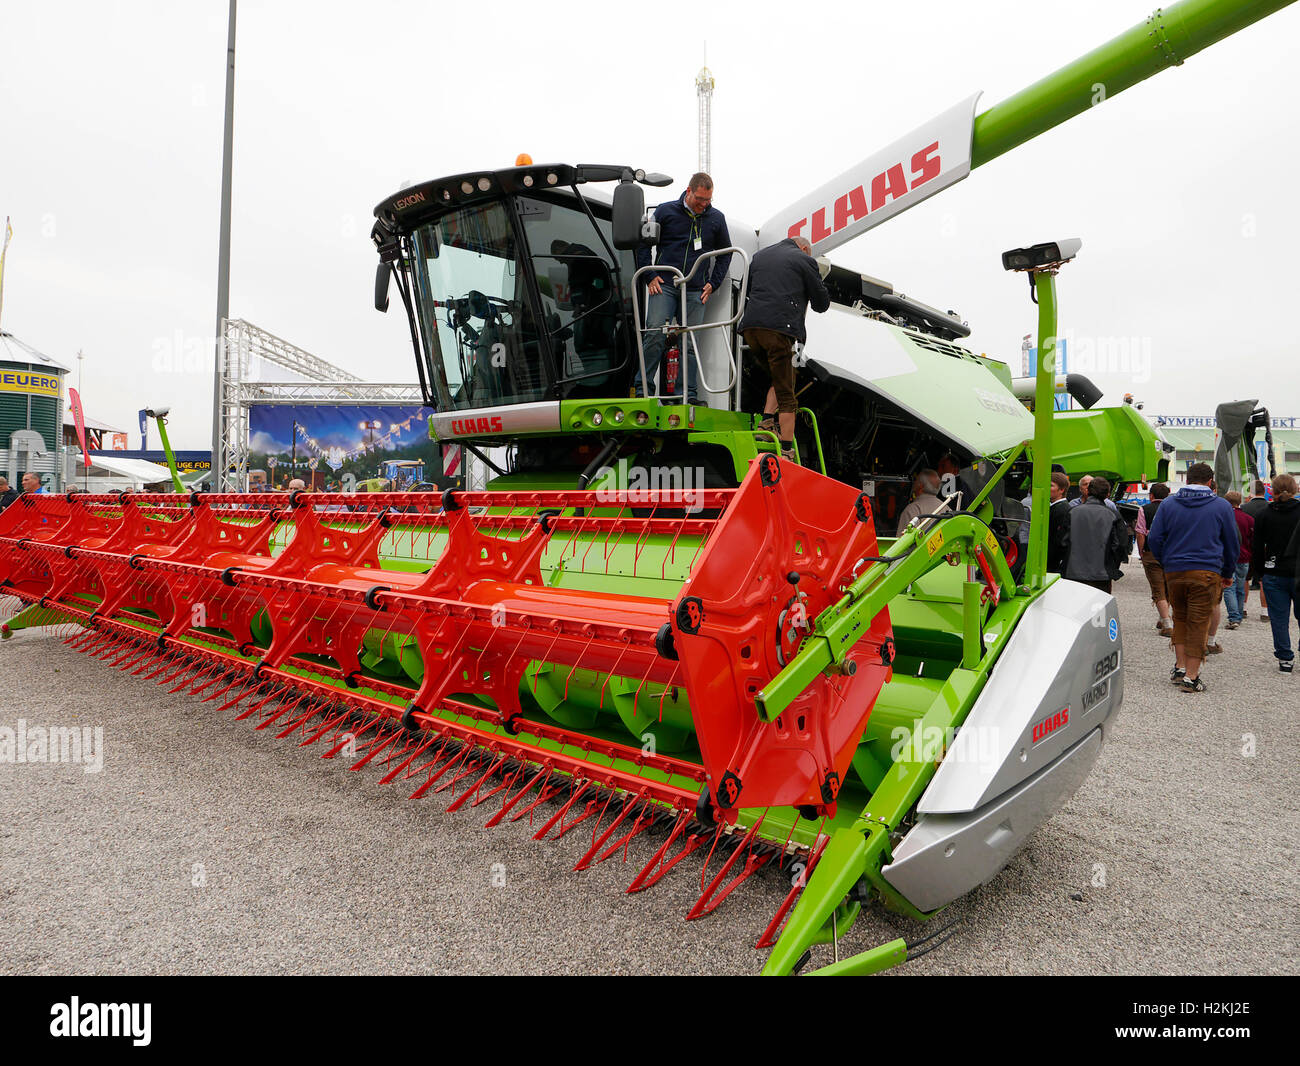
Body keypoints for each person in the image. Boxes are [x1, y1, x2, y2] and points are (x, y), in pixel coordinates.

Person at [633, 173, 732, 405]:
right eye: (700, 199)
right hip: (665, 285)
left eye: (708, 200)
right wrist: (650, 275)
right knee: (655, 333)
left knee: (690, 343)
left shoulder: (716, 218)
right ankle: (643, 389)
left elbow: (725, 253)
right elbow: (643, 244)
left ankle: (688, 395)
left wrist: (713, 283)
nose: (704, 204)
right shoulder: (665, 211)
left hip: (696, 288)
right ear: (688, 191)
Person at [1146, 462, 1239, 692]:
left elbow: (1154, 538)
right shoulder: (1221, 506)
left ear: (1187, 480)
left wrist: (1166, 560)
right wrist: (1227, 572)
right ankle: (1191, 676)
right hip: (1206, 570)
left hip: (1175, 570)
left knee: (1181, 618)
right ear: (1210, 482)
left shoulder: (1168, 504)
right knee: (1198, 622)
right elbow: (1231, 543)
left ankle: (1179, 666)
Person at [738, 235, 830, 459]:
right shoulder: (804, 260)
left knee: (779, 378)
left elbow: (746, 288)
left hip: (751, 330)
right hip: (779, 332)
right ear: (805, 248)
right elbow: (821, 303)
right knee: (788, 393)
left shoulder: (759, 257)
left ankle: (767, 422)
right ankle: (787, 450)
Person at [1251, 473, 1300, 672]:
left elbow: (1256, 546)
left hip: (1273, 571)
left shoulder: (1264, 514)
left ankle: (1285, 658)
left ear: (1274, 490)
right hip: (1298, 570)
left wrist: (1260, 572)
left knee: (1279, 618)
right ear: (1295, 489)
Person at [1065, 476, 1128, 592]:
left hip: (1073, 572)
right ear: (1107, 494)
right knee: (1099, 606)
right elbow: (1121, 544)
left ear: (1088, 491)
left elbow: (1063, 541)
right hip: (1102, 573)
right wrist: (1112, 567)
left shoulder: (1072, 512)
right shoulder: (1113, 514)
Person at [1134, 483, 1173, 636]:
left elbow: (1140, 533)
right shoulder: (1173, 509)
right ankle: (1162, 618)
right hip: (1171, 553)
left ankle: (1167, 623)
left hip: (1152, 553)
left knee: (1158, 588)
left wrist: (1142, 551)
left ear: (1151, 496)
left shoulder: (1145, 510)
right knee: (1168, 586)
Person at [1221, 490, 1254, 629]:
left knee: (1229, 588)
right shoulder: (1249, 519)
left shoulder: (1225, 517)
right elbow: (1252, 540)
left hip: (1228, 556)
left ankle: (1234, 617)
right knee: (1240, 588)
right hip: (1244, 557)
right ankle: (1239, 615)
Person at [1242, 479, 1269, 620]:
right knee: (1264, 580)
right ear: (1264, 491)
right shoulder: (1270, 507)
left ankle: (1244, 608)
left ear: (1250, 492)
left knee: (1245, 579)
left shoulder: (1243, 507)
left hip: (1248, 548)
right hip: (1266, 549)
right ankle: (1265, 611)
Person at [1047, 471, 1072, 573]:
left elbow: (1059, 540)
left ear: (1061, 490)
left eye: (1051, 485)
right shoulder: (1055, 507)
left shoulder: (1062, 509)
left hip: (1053, 564)